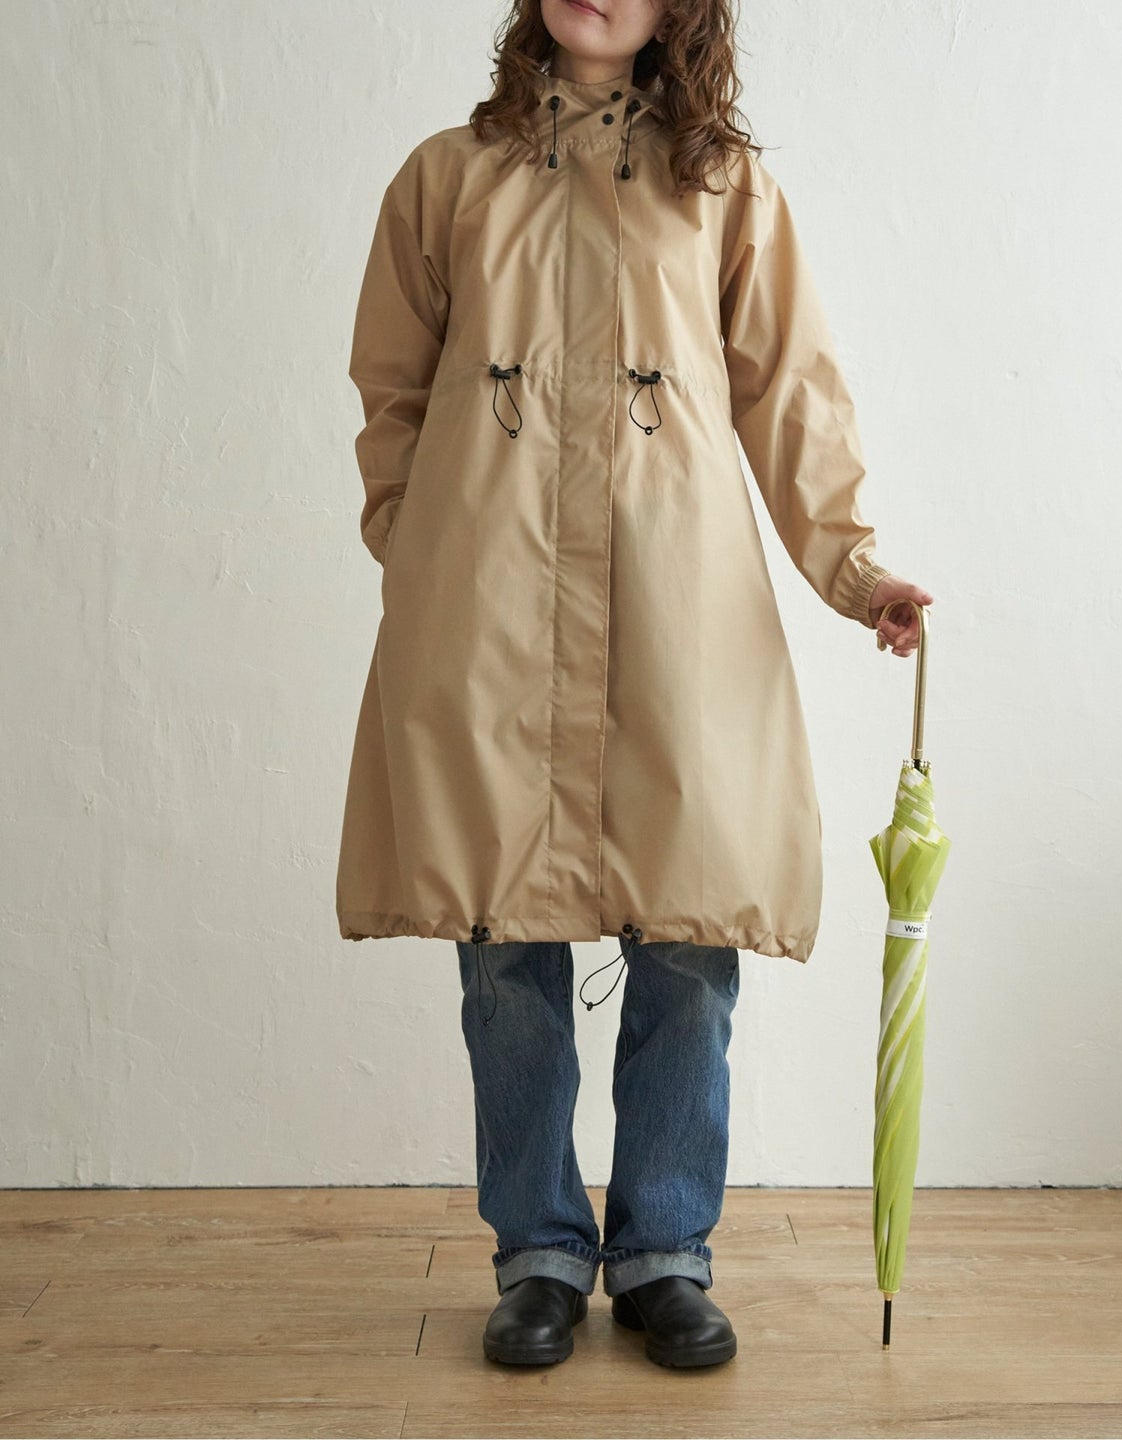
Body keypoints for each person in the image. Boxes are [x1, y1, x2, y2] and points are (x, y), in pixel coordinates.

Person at [337, 0, 935, 1370]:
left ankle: (666, 1248)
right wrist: (417, 543)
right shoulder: (445, 179)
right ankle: (539, 1254)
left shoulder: (724, 184)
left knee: (689, 930)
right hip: (488, 609)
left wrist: (855, 573)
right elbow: (391, 392)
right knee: (502, 938)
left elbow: (790, 391)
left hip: (679, 606)